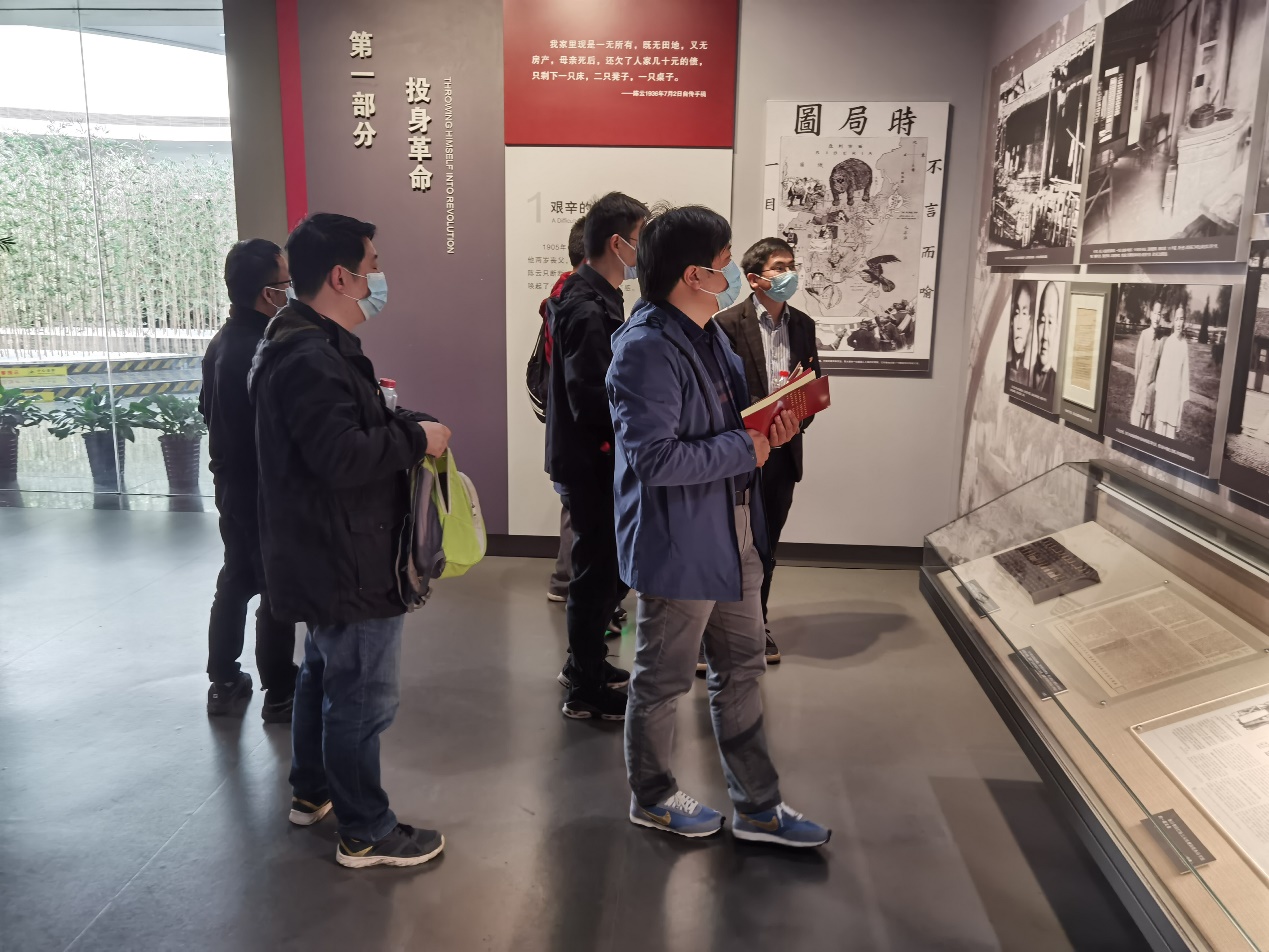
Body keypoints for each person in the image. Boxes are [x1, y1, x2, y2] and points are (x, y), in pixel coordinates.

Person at [608, 204, 830, 847]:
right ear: (695, 275)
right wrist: (745, 448)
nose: (734, 274)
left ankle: (758, 805)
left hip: (735, 530)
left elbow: (731, 426)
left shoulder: (709, 337)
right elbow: (654, 459)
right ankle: (652, 797)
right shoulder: (644, 348)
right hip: (680, 538)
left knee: (743, 668)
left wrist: (772, 426)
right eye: (726, 262)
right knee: (663, 679)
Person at [248, 212, 452, 869]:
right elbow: (339, 456)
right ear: (341, 276)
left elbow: (341, 430)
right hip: (348, 555)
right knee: (363, 697)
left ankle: (313, 791)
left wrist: (401, 422)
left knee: (323, 673)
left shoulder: (308, 340)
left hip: (329, 546)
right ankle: (366, 830)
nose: (378, 278)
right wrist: (416, 439)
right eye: (373, 266)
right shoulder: (309, 355)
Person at [546, 191, 648, 719]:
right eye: (640, 239)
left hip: (590, 457)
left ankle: (585, 662)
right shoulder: (587, 307)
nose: (644, 252)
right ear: (617, 243)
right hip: (592, 461)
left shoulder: (594, 295)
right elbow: (589, 396)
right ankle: (584, 687)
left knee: (604, 570)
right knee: (597, 573)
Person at [200, 239, 298, 721]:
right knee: (275, 587)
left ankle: (223, 682)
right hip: (265, 490)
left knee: (236, 577)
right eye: (286, 281)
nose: (291, 289)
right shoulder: (266, 348)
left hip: (230, 485)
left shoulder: (220, 342)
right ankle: (280, 692)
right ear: (267, 294)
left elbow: (208, 411)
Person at [717, 236, 821, 664]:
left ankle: (757, 623)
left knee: (767, 545)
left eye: (791, 265)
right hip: (739, 452)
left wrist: (795, 421)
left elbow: (811, 385)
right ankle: (717, 629)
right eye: (779, 267)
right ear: (754, 278)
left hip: (784, 453)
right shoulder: (725, 324)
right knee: (729, 543)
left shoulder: (803, 325)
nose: (788, 274)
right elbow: (720, 394)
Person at [546, 217, 586, 604]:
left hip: (567, 428)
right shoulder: (578, 302)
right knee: (578, 507)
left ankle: (565, 580)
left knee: (574, 506)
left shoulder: (563, 295)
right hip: (576, 432)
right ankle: (567, 583)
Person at [1154, 307, 1192, 440]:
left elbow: (1184, 380)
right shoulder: (1168, 342)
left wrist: (1180, 413)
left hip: (1175, 401)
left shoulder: (1184, 345)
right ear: (1173, 322)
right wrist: (1157, 406)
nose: (1179, 323)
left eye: (1181, 319)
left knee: (1169, 439)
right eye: (1176, 319)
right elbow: (1161, 375)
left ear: (1184, 322)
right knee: (1158, 435)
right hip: (1164, 398)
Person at [1131, 301, 1166, 430]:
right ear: (1151, 315)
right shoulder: (1144, 335)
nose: (1157, 317)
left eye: (1159, 314)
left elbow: (1160, 371)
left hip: (1151, 395)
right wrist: (1138, 389)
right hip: (1141, 391)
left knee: (1146, 431)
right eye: (1155, 313)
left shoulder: (1161, 341)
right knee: (1135, 428)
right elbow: (1138, 366)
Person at [1031, 281, 1060, 401]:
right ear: (1037, 324)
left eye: (1050, 322)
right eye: (1042, 321)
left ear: (1057, 329)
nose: (1045, 336)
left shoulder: (1058, 386)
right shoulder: (1024, 375)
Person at [1007, 282, 1033, 387]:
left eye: (1024, 313)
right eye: (1017, 313)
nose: (1019, 326)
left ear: (1030, 322)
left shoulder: (1031, 375)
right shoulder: (1006, 368)